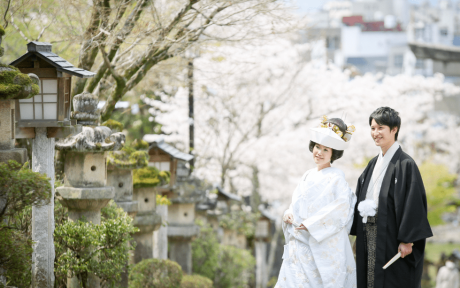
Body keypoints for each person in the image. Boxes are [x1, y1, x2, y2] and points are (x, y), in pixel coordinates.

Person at [350, 107, 433, 288]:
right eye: (372, 128)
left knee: (392, 280)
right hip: (369, 234)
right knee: (368, 280)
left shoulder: (405, 164)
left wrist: (407, 239)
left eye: (380, 128)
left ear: (394, 129)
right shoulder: (373, 163)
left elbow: (413, 203)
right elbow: (362, 197)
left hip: (392, 238)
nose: (375, 133)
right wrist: (359, 234)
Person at [275, 116, 357, 288]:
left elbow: (341, 209)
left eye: (325, 150)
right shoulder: (307, 175)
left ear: (333, 153)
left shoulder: (337, 178)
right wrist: (288, 213)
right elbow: (296, 203)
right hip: (298, 241)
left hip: (319, 242)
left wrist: (312, 224)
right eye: (317, 147)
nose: (319, 152)